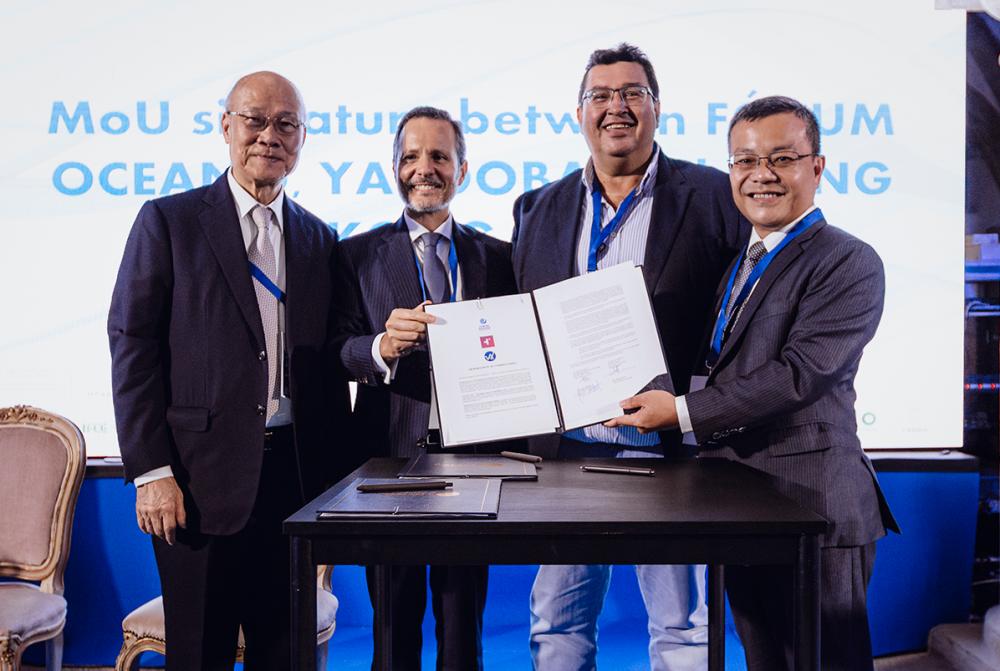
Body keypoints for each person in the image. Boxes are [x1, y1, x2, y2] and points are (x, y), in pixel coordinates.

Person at [608, 95, 899, 671]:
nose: (761, 175)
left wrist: (682, 412)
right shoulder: (739, 262)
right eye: (744, 161)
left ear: (816, 168)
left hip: (814, 504)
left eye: (781, 159)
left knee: (825, 661)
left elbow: (799, 375)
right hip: (745, 502)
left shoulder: (848, 261)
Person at [511, 43, 746, 671]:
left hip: (672, 456)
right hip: (570, 456)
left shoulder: (717, 197)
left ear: (657, 107)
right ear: (579, 112)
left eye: (632, 93)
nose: (616, 107)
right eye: (601, 95)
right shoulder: (537, 208)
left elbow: (738, 324)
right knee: (556, 623)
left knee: (684, 629)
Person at [108, 71, 350, 670]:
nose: (270, 135)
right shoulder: (169, 221)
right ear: (226, 127)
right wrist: (151, 471)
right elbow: (131, 343)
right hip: (194, 484)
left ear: (302, 139)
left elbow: (327, 365)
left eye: (286, 124)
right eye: (255, 120)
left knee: (283, 653)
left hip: (292, 482)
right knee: (199, 654)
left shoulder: (319, 238)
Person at [334, 106, 517, 671]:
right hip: (388, 466)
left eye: (439, 156)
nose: (424, 168)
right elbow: (338, 348)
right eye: (410, 156)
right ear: (394, 167)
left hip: (476, 466)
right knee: (394, 627)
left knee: (464, 631)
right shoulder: (354, 254)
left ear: (462, 170)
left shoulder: (500, 257)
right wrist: (380, 348)